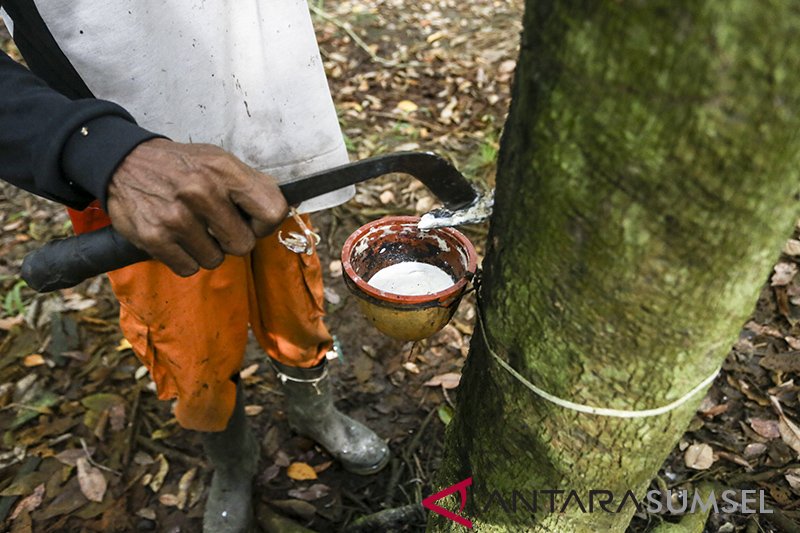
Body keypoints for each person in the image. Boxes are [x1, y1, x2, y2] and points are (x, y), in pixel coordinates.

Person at [0, 2, 390, 531]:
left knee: (294, 306)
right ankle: (232, 461)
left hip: (268, 132)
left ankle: (314, 413)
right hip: (134, 180)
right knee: (191, 344)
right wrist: (95, 148)